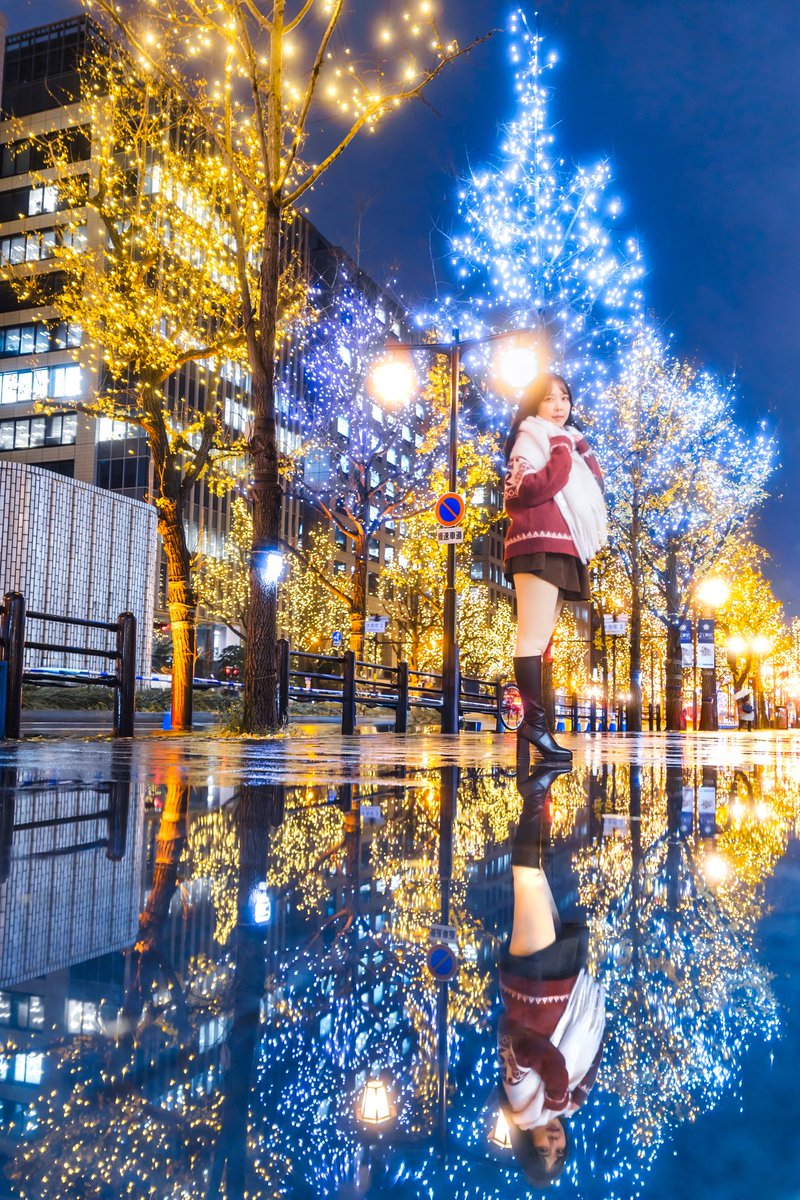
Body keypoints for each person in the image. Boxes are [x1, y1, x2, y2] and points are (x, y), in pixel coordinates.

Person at [497, 761, 606, 1186]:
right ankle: (538, 799)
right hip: (564, 984)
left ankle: (534, 795)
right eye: (559, 1151)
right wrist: (571, 1092)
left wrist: (559, 1088)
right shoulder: (571, 1104)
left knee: (527, 880)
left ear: (528, 1144)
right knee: (539, 879)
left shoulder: (522, 1105)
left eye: (543, 1149)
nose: (554, 1142)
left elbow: (523, 1051)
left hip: (534, 985)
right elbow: (593, 1054)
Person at [504, 373, 607, 760]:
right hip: (537, 544)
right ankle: (533, 723)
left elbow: (594, 485)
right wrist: (563, 450)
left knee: (541, 638)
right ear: (535, 406)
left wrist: (574, 449)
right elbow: (524, 492)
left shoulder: (566, 442)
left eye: (564, 397)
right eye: (549, 399)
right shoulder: (530, 438)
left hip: (563, 547)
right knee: (531, 637)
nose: (559, 406)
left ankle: (538, 723)